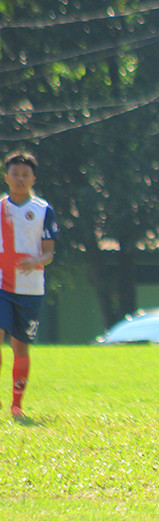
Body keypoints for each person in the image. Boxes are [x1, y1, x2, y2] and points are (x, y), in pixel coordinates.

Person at [0, 152, 57, 421]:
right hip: (2, 285)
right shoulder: (0, 208)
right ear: (6, 177)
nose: (20, 179)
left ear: (33, 178)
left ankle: (16, 404)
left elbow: (49, 253)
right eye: (15, 174)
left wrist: (35, 261)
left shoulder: (44, 210)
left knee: (20, 348)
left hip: (31, 290)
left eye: (25, 174)